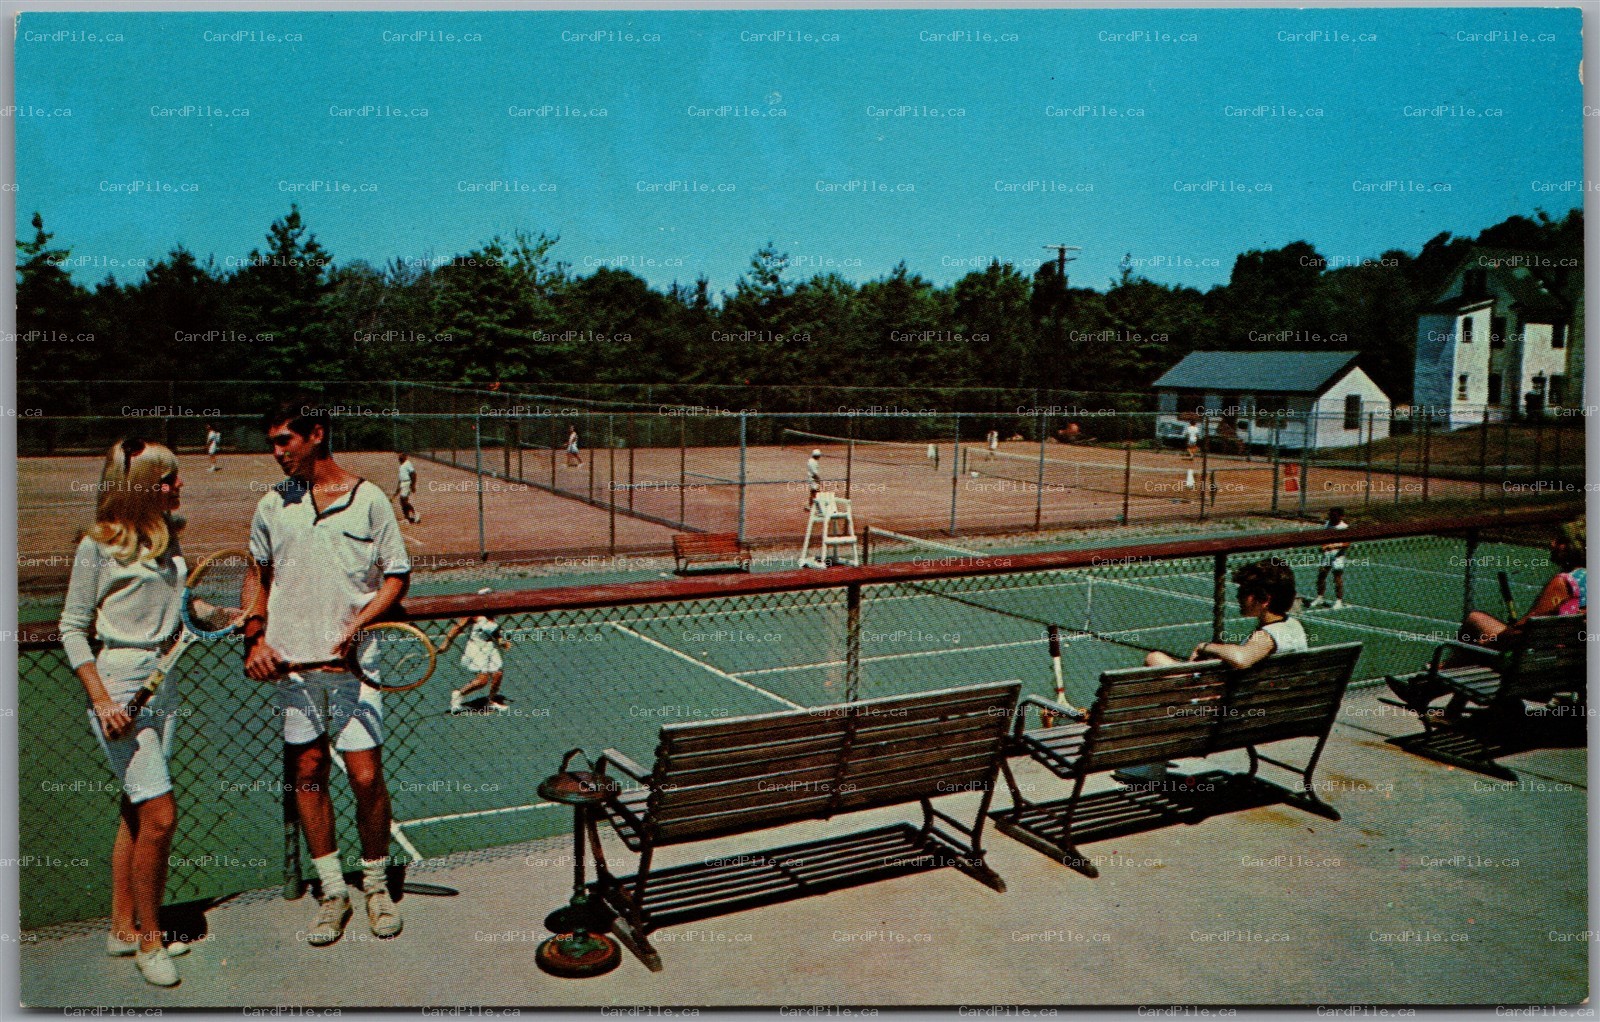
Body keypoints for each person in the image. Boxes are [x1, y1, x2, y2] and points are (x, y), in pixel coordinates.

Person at [242, 401, 410, 947]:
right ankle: (333, 889)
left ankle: (376, 883)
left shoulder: (369, 499)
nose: (276, 452)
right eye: (272, 442)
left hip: (356, 668)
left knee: (365, 776)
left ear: (316, 435)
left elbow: (397, 577)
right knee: (309, 771)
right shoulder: (272, 503)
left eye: (284, 441)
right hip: (292, 670)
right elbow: (256, 576)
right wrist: (255, 638)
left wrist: (359, 626)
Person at [59, 439, 194, 986]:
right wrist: (103, 699)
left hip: (164, 687)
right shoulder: (96, 547)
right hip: (118, 688)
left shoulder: (168, 538)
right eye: (167, 480)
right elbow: (71, 628)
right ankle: (149, 940)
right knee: (160, 815)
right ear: (140, 486)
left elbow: (179, 607)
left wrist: (217, 612)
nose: (177, 487)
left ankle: (121, 927)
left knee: (136, 811)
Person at [1120, 558, 1307, 785]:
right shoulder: (1294, 628)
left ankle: (1153, 763)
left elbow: (1241, 658)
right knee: (1160, 662)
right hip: (1276, 713)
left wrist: (1206, 647)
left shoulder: (1266, 636)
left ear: (1264, 600)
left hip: (1232, 719)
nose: (1238, 597)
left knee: (1157, 667)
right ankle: (1154, 758)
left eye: (1245, 592)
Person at [1388, 518, 1586, 710]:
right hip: (1570, 668)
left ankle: (1431, 683)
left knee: (1475, 630)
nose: (1552, 544)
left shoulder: (1564, 583)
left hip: (1537, 669)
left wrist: (1488, 645)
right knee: (1478, 628)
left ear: (1574, 546)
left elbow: (1523, 632)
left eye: (1560, 541)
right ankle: (1434, 693)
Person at [445, 591, 512, 713]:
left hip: (491, 646)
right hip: (476, 647)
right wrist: (446, 645)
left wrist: (501, 641)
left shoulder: (494, 614)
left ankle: (490, 701)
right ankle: (459, 694)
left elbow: (495, 631)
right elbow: (457, 628)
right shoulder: (473, 614)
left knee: (498, 674)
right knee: (482, 681)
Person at [1310, 508, 1351, 610]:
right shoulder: (1328, 524)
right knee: (1321, 575)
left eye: (1335, 515)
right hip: (1327, 555)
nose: (1332, 517)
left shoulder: (1344, 527)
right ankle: (1320, 597)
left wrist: (1333, 547)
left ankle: (1339, 601)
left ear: (1341, 516)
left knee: (1337, 578)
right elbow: (1324, 537)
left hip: (1338, 556)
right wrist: (1324, 546)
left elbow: (1346, 543)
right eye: (1331, 515)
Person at [395, 453, 420, 525]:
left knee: (404, 500)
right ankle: (407, 517)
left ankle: (415, 513)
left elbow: (414, 474)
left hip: (407, 483)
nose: (400, 457)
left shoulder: (407, 464)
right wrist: (398, 488)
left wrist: (413, 485)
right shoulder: (401, 465)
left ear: (405, 457)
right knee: (402, 501)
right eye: (399, 456)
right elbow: (400, 478)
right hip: (403, 484)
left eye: (401, 456)